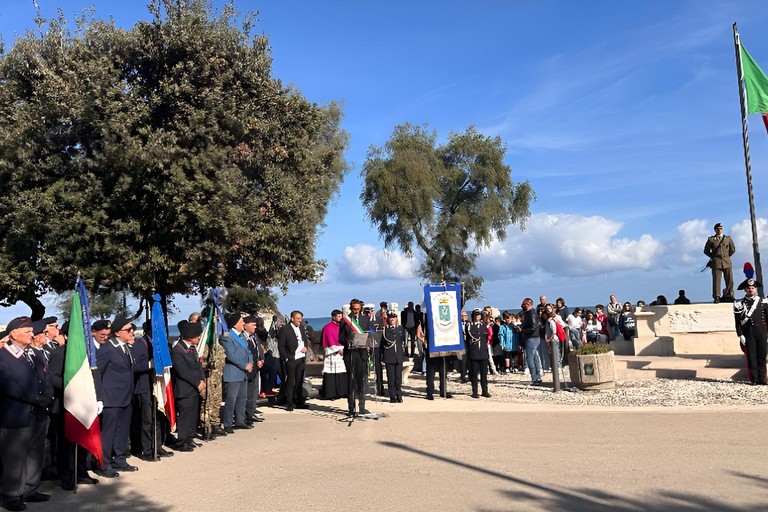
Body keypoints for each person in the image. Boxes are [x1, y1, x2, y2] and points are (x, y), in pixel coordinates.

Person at [0, 317, 54, 510]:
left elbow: (45, 378)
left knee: (35, 453)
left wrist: (47, 397)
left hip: (38, 413)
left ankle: (30, 489)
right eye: (28, 331)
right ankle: (10, 495)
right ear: (14, 334)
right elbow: (9, 386)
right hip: (15, 414)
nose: (33, 334)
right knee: (14, 456)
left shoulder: (34, 355)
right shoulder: (3, 357)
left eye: (32, 331)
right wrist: (35, 398)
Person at [96, 318, 138, 477]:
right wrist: (99, 397)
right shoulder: (107, 348)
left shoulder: (126, 348)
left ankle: (119, 459)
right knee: (108, 433)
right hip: (111, 398)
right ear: (118, 332)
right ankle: (104, 463)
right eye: (128, 329)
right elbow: (97, 373)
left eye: (132, 329)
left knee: (122, 431)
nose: (132, 332)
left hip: (126, 396)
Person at [171, 320, 206, 452]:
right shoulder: (178, 350)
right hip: (184, 388)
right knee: (185, 417)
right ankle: (182, 441)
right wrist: (197, 382)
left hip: (194, 388)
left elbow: (198, 366)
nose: (198, 337)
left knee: (192, 415)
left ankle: (189, 439)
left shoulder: (192, 349)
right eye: (196, 335)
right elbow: (182, 371)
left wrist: (202, 379)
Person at [219, 313, 253, 432]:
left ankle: (240, 420)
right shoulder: (227, 336)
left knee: (242, 398)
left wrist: (251, 363)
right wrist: (245, 365)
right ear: (235, 323)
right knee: (231, 399)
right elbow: (231, 354)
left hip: (243, 372)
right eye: (241, 321)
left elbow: (248, 352)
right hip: (233, 372)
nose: (243, 323)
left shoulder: (242, 336)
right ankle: (228, 423)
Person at [339, 299, 372, 416]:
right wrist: (348, 341)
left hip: (362, 354)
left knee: (361, 381)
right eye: (354, 309)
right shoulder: (345, 320)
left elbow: (369, 334)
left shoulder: (365, 319)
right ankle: (351, 408)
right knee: (351, 382)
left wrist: (369, 342)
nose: (356, 311)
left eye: (358, 309)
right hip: (350, 355)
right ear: (351, 309)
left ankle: (362, 407)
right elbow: (340, 338)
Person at [734, 277, 768, 385]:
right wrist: (740, 335)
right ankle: (754, 380)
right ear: (745, 290)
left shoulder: (763, 301)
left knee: (762, 355)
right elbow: (737, 322)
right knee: (752, 356)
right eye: (748, 288)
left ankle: (762, 379)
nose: (751, 290)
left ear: (756, 289)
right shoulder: (739, 304)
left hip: (762, 332)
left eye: (753, 288)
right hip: (749, 332)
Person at [276, 311, 310, 412]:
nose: (300, 321)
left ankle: (299, 401)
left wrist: (306, 348)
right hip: (291, 358)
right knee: (290, 381)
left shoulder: (301, 328)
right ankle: (289, 402)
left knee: (299, 380)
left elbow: (305, 340)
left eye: (301, 319)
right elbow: (281, 345)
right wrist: (286, 358)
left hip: (300, 358)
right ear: (292, 318)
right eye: (298, 318)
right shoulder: (285, 329)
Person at [704, 222, 736, 303]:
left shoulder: (727, 238)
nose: (720, 230)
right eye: (718, 229)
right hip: (716, 262)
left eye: (721, 228)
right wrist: (712, 256)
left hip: (726, 261)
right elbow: (706, 250)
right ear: (715, 230)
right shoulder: (711, 239)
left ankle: (730, 294)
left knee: (729, 279)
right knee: (716, 280)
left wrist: (726, 257)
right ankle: (716, 296)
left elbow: (732, 250)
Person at [242, 316, 265, 424]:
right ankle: (244, 415)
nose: (255, 327)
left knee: (254, 392)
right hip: (247, 369)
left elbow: (259, 349)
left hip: (256, 368)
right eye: (253, 325)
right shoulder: (242, 337)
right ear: (245, 325)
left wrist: (261, 359)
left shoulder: (254, 336)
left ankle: (251, 413)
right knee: (246, 393)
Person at [320, 310, 348, 399]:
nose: (340, 318)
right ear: (333, 317)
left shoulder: (343, 326)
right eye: (339, 316)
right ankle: (331, 394)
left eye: (341, 316)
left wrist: (345, 348)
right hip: (333, 353)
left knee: (342, 372)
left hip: (343, 352)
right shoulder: (327, 327)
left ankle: (342, 392)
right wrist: (337, 350)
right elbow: (328, 341)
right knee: (332, 373)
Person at [380, 312, 406, 403]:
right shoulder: (385, 330)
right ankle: (392, 397)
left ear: (396, 319)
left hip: (398, 356)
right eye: (390, 318)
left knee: (398, 377)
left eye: (394, 318)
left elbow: (403, 341)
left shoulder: (400, 328)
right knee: (390, 377)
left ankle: (399, 395)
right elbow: (382, 344)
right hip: (389, 356)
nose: (392, 319)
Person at [466, 310, 491, 398]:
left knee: (484, 374)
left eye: (479, 315)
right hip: (474, 353)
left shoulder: (484, 326)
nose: (477, 316)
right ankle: (475, 391)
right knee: (474, 374)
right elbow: (467, 339)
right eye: (476, 315)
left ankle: (485, 391)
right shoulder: (470, 326)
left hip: (483, 353)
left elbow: (487, 338)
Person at [521, 298, 542, 384]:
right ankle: (537, 376)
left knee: (530, 358)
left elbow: (533, 327)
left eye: (525, 304)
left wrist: (523, 331)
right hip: (534, 337)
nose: (523, 305)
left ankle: (535, 377)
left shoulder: (531, 314)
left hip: (532, 338)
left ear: (529, 304)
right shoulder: (530, 313)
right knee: (535, 357)